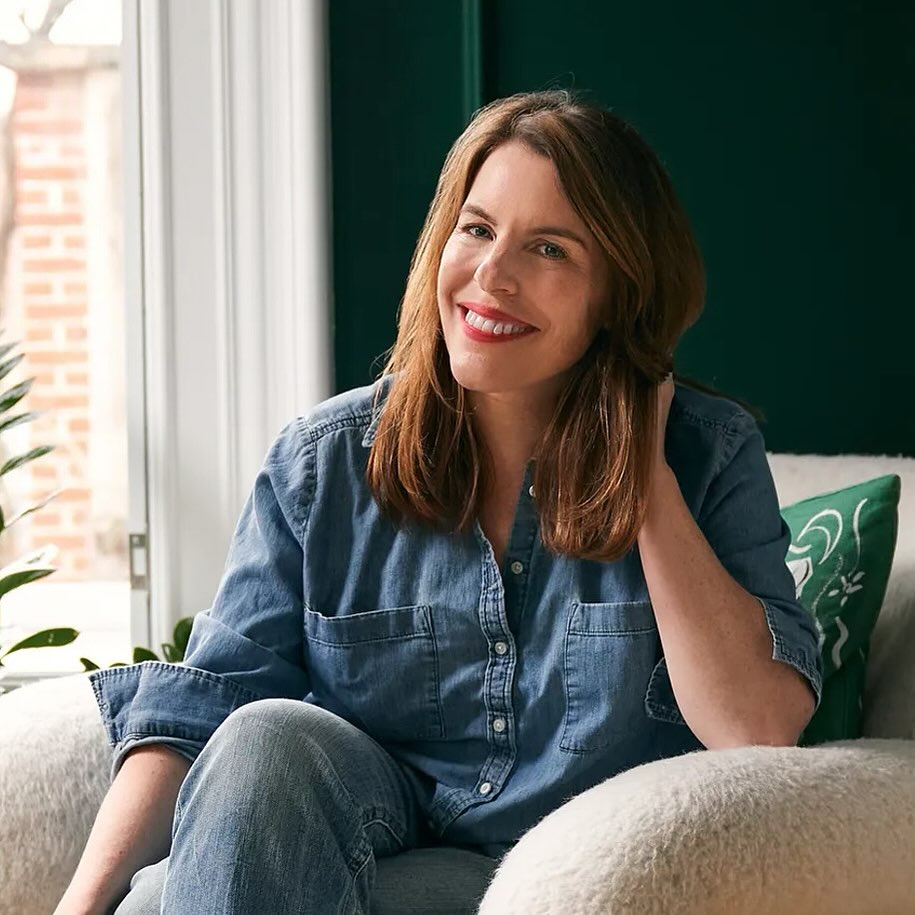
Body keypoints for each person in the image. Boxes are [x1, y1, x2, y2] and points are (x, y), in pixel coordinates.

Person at [54, 89, 822, 915]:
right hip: (358, 848)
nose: (492, 276)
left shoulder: (706, 455)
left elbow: (755, 727)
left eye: (549, 249)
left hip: (585, 881)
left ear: (619, 292)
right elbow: (198, 712)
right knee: (259, 739)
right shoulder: (323, 463)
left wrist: (644, 480)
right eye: (478, 229)